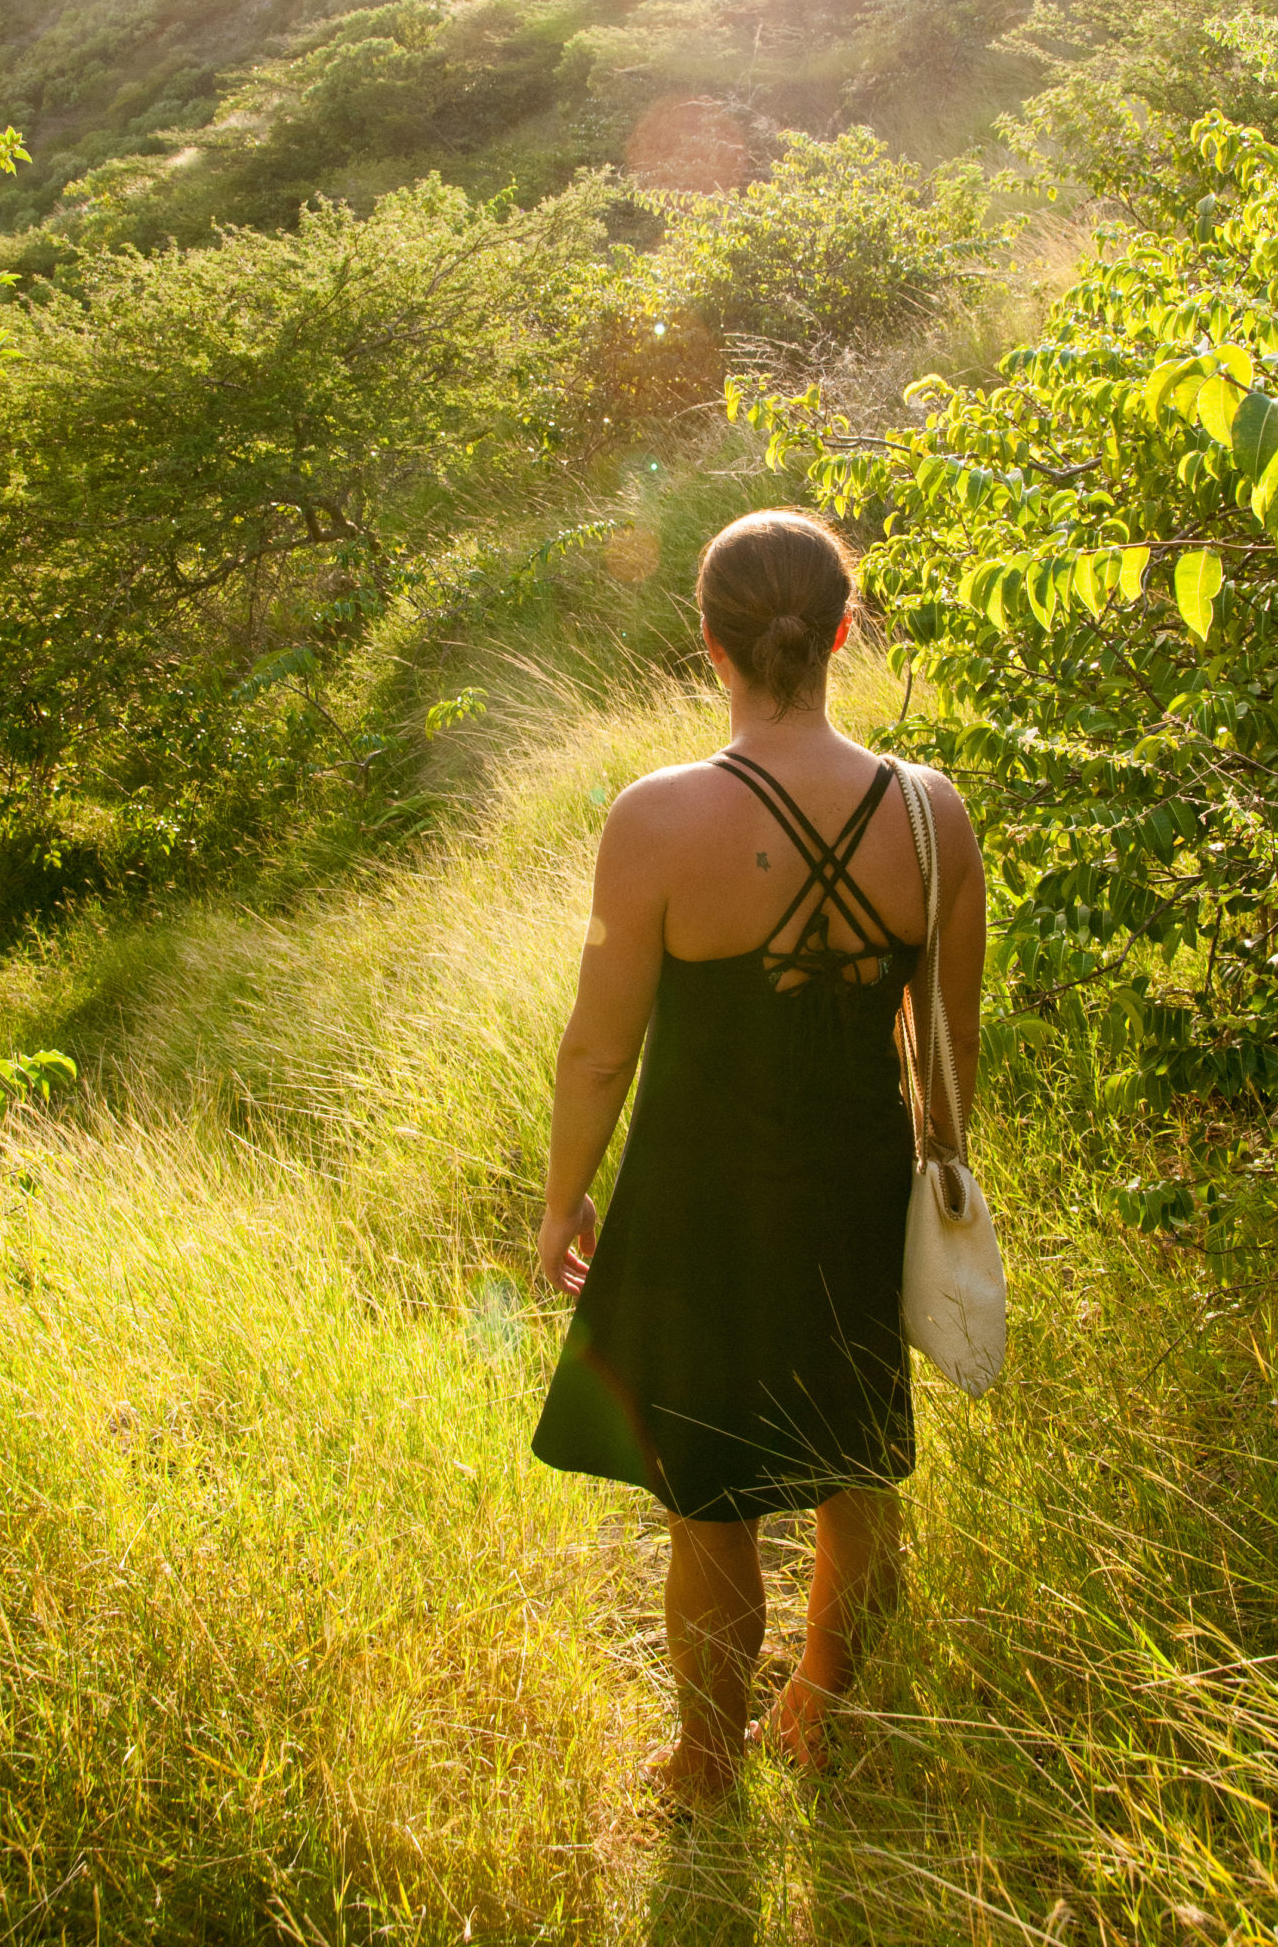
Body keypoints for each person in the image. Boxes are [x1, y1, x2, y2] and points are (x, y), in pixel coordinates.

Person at [531, 507, 985, 1806]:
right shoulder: (930, 813)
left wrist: (564, 1203)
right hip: (858, 1189)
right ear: (844, 631)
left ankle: (703, 1762)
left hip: (695, 1202)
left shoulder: (655, 819)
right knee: (857, 1467)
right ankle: (822, 1717)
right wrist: (933, 1195)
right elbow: (947, 1061)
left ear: (709, 645)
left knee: (709, 1501)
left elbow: (597, 1055)